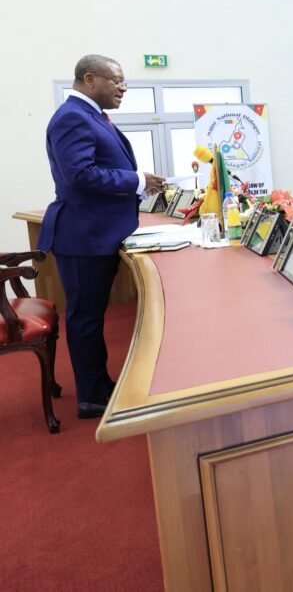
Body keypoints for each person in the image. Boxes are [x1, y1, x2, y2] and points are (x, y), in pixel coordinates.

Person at [40, 55, 166, 418]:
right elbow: (81, 174)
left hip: (97, 233)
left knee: (92, 316)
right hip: (84, 236)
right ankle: (93, 397)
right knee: (86, 318)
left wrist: (137, 184)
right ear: (90, 79)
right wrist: (136, 181)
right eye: (117, 80)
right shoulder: (72, 118)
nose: (123, 88)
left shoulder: (91, 115)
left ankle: (99, 386)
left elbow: (98, 171)